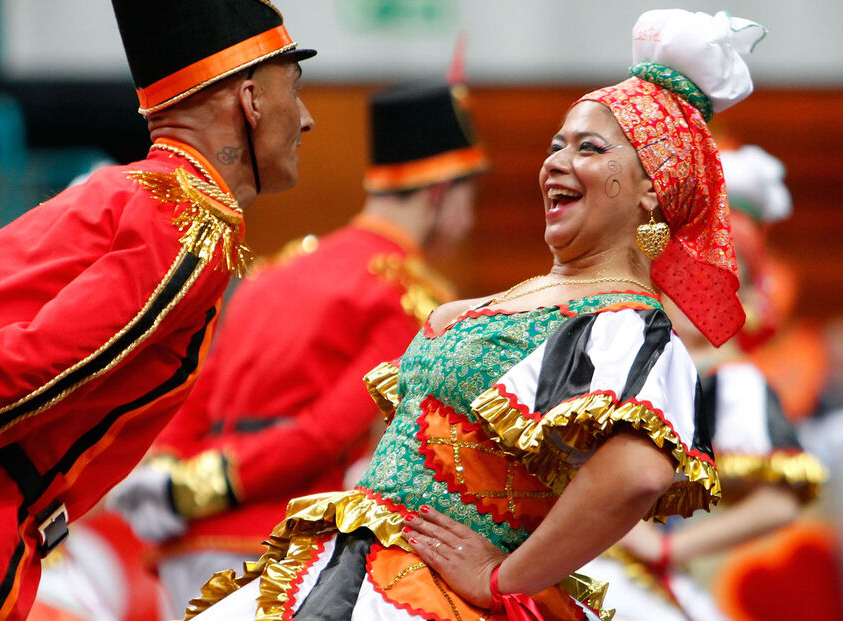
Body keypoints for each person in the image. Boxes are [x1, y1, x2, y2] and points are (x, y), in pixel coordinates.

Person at [186, 9, 763, 621]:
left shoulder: (624, 323)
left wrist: (502, 578)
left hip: (426, 594)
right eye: (555, 145)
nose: (556, 162)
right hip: (356, 563)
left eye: (589, 148)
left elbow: (635, 475)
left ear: (653, 189)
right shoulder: (532, 302)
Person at [0, 1, 314, 619]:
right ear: (252, 100)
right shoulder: (187, 220)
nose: (308, 118)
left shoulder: (120, 194)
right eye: (297, 88)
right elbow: (32, 373)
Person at [107, 79, 488, 614]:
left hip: (183, 547)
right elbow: (325, 430)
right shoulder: (410, 298)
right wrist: (211, 485)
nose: (469, 220)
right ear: (441, 192)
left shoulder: (277, 269)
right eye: (471, 197)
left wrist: (171, 477)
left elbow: (200, 386)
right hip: (283, 545)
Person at [578, 144, 827, 621]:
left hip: (626, 572)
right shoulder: (623, 349)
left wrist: (668, 550)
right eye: (685, 277)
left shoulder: (730, 382)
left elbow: (780, 501)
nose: (698, 295)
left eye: (721, 282)